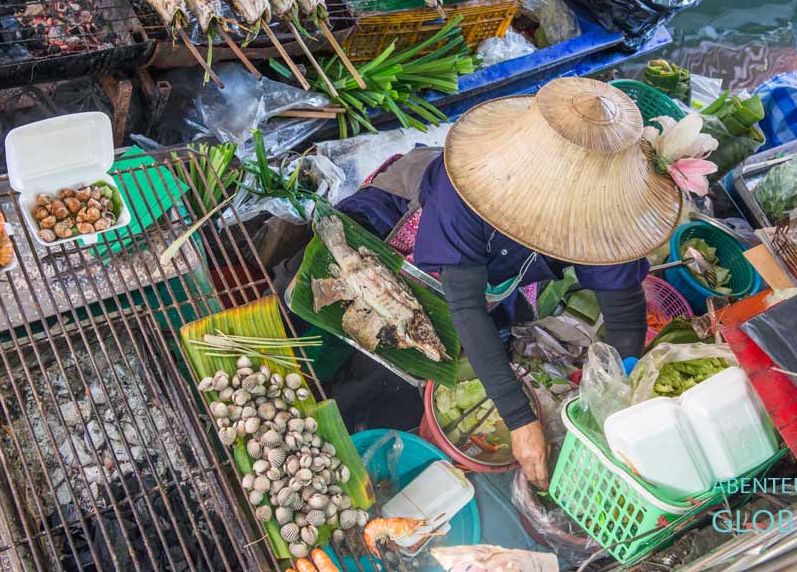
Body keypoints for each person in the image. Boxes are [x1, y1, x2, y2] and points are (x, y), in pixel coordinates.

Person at [283, 78, 682, 487]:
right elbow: (465, 306)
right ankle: (296, 390)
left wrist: (617, 393)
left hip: (490, 271)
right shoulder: (469, 188)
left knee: (394, 372)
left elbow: (625, 319)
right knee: (323, 319)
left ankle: (344, 410)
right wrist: (520, 420)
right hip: (392, 235)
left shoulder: (604, 215)